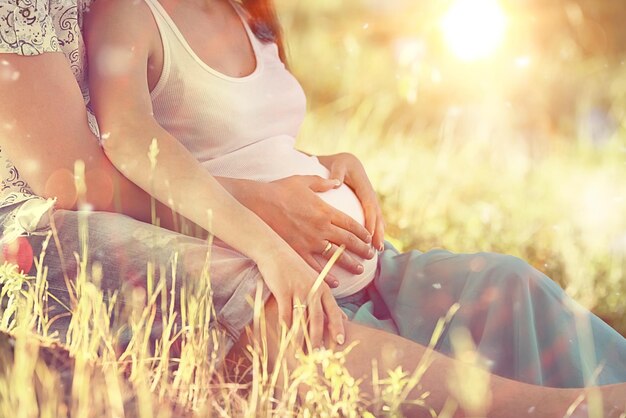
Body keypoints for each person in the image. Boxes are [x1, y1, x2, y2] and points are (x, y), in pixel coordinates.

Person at [0, 0, 624, 416]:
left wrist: (319, 166)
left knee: (506, 282)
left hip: (333, 255)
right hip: (49, 234)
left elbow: (217, 135)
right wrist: (267, 229)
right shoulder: (109, 13)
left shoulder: (231, 13)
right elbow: (92, 163)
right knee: (280, 311)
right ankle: (560, 408)